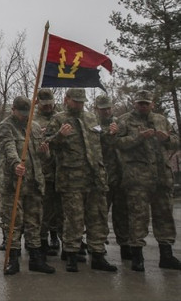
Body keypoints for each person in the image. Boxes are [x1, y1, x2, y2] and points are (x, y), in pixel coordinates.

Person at [45, 88, 116, 273]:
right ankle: (71, 254)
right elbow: (46, 146)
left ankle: (98, 254)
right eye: (76, 101)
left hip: (94, 177)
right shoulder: (58, 119)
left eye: (82, 101)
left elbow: (100, 142)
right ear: (66, 99)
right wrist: (59, 136)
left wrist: (110, 134)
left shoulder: (92, 118)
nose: (79, 104)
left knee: (98, 216)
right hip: (71, 178)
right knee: (74, 218)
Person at [115, 89, 181, 271]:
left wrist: (167, 138)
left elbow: (176, 141)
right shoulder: (124, 120)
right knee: (138, 216)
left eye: (146, 103)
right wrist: (138, 137)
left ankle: (166, 255)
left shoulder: (161, 119)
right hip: (137, 177)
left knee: (164, 215)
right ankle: (137, 256)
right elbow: (118, 143)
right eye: (140, 103)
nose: (143, 106)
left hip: (161, 175)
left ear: (152, 104)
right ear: (134, 103)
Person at [0, 97, 55, 275]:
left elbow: (40, 155)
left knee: (34, 221)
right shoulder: (6, 126)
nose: (24, 117)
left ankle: (36, 258)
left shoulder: (35, 127)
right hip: (14, 183)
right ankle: (13, 259)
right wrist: (16, 164)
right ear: (13, 109)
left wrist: (45, 152)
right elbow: (9, 148)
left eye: (27, 113)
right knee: (13, 221)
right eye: (21, 113)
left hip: (34, 181)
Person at [94, 95, 129, 261]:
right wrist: (110, 134)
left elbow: (128, 143)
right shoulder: (93, 125)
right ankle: (98, 247)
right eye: (103, 108)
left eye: (108, 107)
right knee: (100, 213)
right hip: (104, 175)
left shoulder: (121, 123)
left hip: (122, 174)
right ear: (97, 109)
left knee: (122, 213)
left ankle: (125, 245)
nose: (106, 111)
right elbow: (94, 144)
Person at [33, 89, 62, 256]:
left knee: (62, 208)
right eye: (44, 104)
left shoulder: (61, 117)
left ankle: (62, 237)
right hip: (44, 169)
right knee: (45, 208)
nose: (48, 107)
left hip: (63, 168)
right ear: (38, 103)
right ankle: (44, 238)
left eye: (50, 103)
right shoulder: (33, 119)